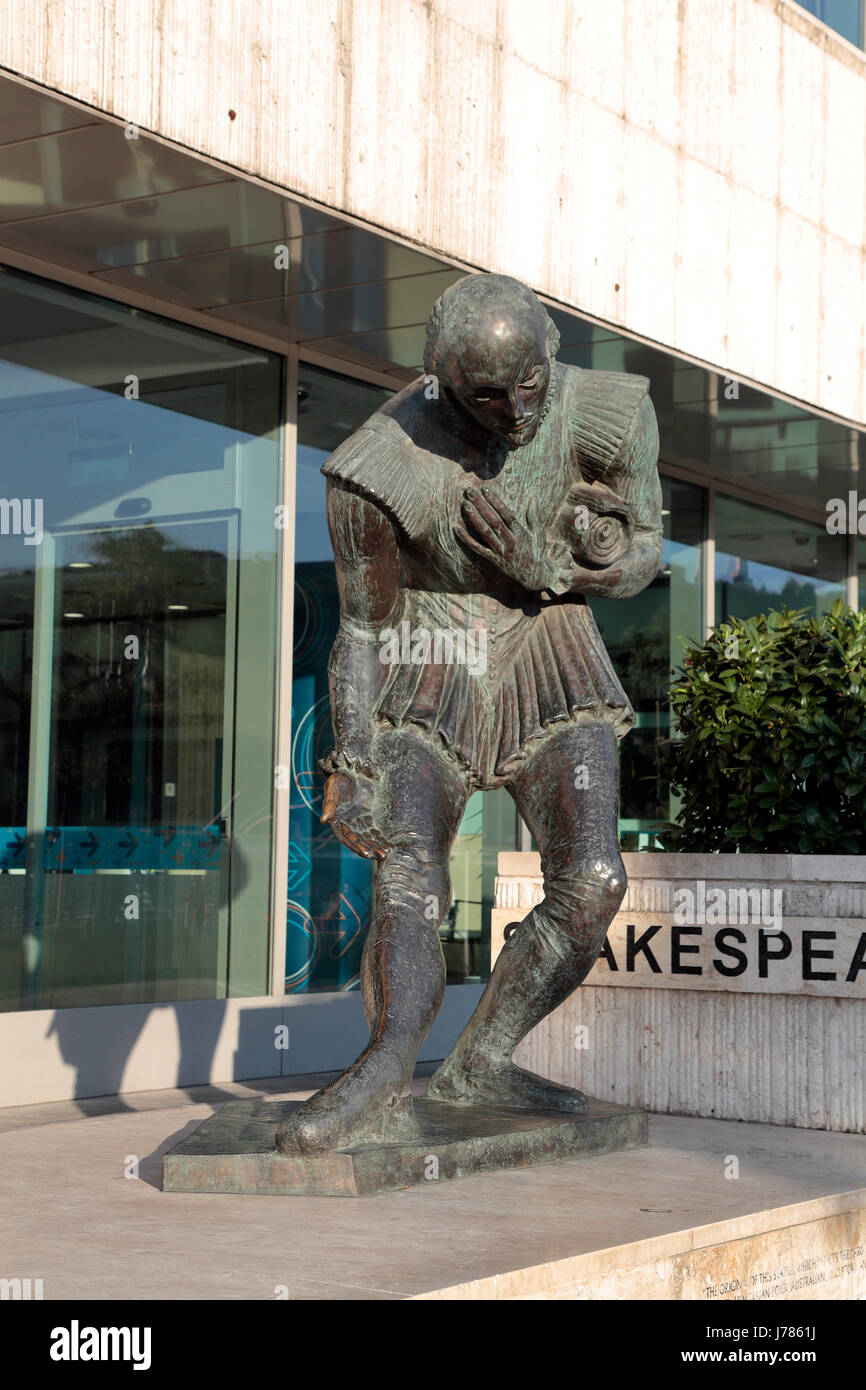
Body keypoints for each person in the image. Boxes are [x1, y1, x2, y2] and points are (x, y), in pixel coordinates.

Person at [276, 273, 662, 1155]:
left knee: (595, 879)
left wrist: (556, 567)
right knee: (412, 872)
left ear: (551, 357)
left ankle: (481, 1059)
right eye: (488, 394)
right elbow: (364, 629)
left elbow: (644, 552)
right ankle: (385, 1065)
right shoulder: (379, 468)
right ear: (442, 381)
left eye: (531, 383)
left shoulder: (607, 412)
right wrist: (352, 761)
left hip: (551, 644)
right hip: (431, 652)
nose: (516, 408)